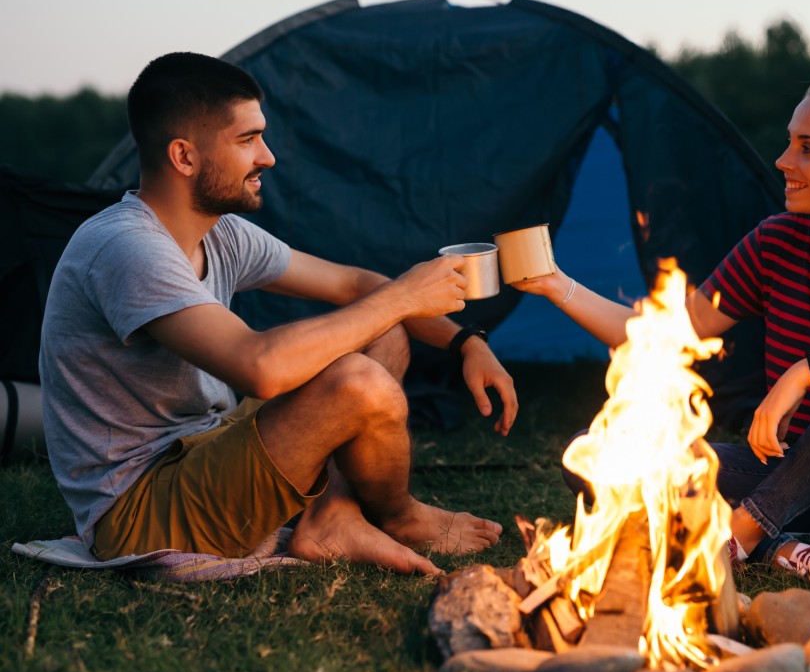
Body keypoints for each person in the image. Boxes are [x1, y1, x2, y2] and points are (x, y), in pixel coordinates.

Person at [39, 52, 519, 576]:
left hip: (205, 442)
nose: (267, 157)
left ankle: (333, 516)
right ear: (184, 156)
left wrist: (466, 342)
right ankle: (400, 517)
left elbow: (355, 284)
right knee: (359, 380)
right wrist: (403, 296)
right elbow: (259, 367)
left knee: (385, 336)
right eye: (247, 140)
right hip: (138, 506)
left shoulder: (218, 231)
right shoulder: (127, 247)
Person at [513, 74, 810, 598]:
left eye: (808, 149)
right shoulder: (776, 243)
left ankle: (743, 534)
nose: (784, 160)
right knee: (594, 453)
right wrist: (555, 286)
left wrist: (806, 372)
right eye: (789, 142)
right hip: (804, 482)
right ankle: (786, 549)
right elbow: (658, 335)